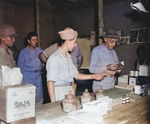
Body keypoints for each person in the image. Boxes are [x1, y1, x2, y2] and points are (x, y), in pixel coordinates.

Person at [46, 27, 107, 102]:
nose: (75, 45)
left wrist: (94, 76)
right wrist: (53, 102)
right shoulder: (54, 58)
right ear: (68, 41)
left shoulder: (68, 58)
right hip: (59, 92)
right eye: (75, 42)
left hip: (69, 91)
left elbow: (76, 75)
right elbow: (50, 82)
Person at [17, 31, 43, 105]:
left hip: (38, 76)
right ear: (29, 41)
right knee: (28, 96)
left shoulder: (39, 51)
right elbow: (20, 68)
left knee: (38, 96)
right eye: (33, 40)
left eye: (36, 40)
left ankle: (39, 112)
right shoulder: (23, 52)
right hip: (27, 76)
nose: (35, 42)